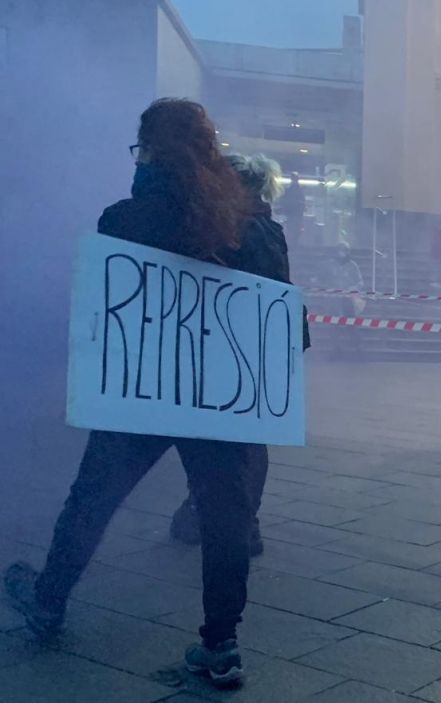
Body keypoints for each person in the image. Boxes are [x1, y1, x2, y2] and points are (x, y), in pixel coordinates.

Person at [2, 99, 262, 688]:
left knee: (92, 496)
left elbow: (99, 312)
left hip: (142, 392)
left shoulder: (124, 219)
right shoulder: (249, 225)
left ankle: (48, 601)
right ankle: (222, 644)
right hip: (218, 396)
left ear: (149, 151)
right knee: (226, 517)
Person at [169, 153, 308, 558]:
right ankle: (223, 516)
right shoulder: (263, 226)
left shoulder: (243, 228)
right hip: (255, 348)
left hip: (238, 349)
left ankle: (232, 520)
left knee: (233, 440)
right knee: (240, 440)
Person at [280, 171, 306, 245]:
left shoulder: (298, 189)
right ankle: (292, 242)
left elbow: (302, 200)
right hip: (291, 212)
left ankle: (294, 242)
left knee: (296, 228)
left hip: (296, 213)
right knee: (291, 228)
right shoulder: (290, 189)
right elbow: (285, 200)